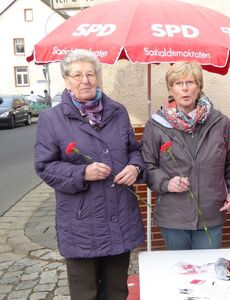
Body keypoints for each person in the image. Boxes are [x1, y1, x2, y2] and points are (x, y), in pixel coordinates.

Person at [34, 49, 145, 300]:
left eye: (90, 74)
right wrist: (82, 172)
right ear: (66, 80)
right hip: (82, 223)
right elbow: (44, 166)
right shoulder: (52, 119)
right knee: (86, 294)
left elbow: (134, 150)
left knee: (116, 291)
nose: (85, 80)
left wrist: (135, 167)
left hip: (119, 217)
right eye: (77, 75)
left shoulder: (117, 112)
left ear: (97, 77)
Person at [141, 61, 230, 250]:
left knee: (209, 272)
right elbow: (148, 164)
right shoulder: (156, 125)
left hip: (211, 213)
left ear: (199, 86)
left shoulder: (219, 122)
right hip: (173, 215)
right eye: (178, 83)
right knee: (181, 273)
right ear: (171, 88)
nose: (185, 89)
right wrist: (166, 183)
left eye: (190, 82)